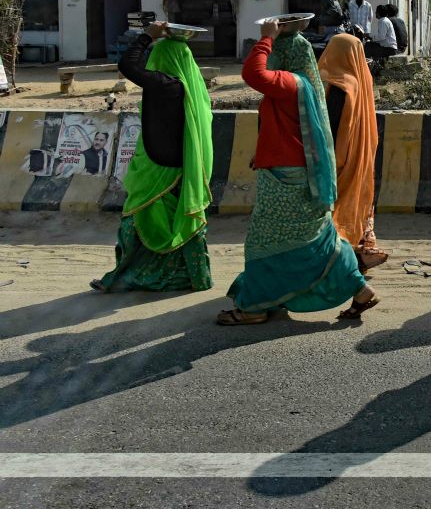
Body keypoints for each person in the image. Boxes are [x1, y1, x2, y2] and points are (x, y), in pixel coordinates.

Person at [218, 20, 378, 325]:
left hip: (286, 178)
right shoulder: (305, 84)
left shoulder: (290, 82)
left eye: (276, 53)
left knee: (263, 243)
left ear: (286, 55)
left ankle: (254, 309)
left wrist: (265, 39)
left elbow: (253, 73)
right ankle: (360, 289)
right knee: (318, 237)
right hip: (298, 171)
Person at [93, 21, 214, 293]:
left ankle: (126, 277)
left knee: (136, 221)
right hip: (183, 166)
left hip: (156, 165)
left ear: (162, 59)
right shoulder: (192, 89)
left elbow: (128, 65)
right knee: (183, 220)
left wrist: (147, 36)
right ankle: (196, 277)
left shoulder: (164, 84)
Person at [317, 32, 388, 272]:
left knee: (337, 209)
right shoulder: (361, 79)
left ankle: (341, 264)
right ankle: (362, 254)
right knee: (358, 203)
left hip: (342, 157)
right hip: (362, 153)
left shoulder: (341, 87)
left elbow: (333, 127)